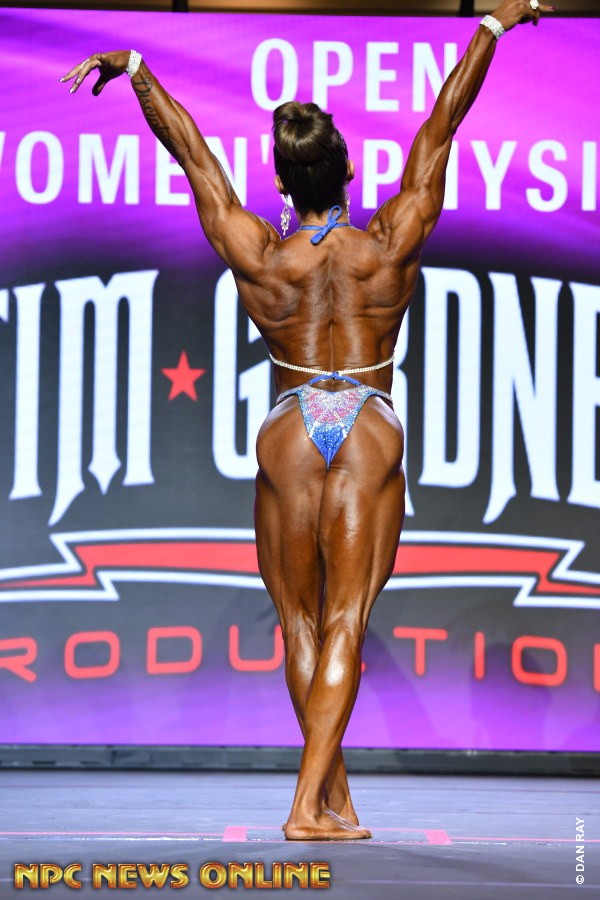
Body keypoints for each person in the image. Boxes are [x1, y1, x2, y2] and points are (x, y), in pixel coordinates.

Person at [62, 0, 552, 841]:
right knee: (346, 621)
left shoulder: (261, 254)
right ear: (350, 169)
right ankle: (305, 806)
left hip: (291, 420)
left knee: (300, 621)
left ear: (283, 183)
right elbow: (442, 125)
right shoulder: (388, 242)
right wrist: (493, 29)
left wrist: (137, 71)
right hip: (366, 420)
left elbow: (194, 157)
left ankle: (332, 799)